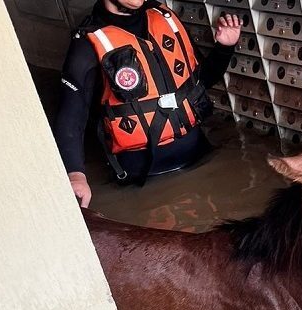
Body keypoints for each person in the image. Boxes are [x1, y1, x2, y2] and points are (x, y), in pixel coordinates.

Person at [55, 0, 241, 207]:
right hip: (146, 183)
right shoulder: (87, 45)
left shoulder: (165, 18)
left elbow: (200, 82)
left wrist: (225, 48)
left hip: (202, 161)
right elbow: (71, 119)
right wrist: (75, 175)